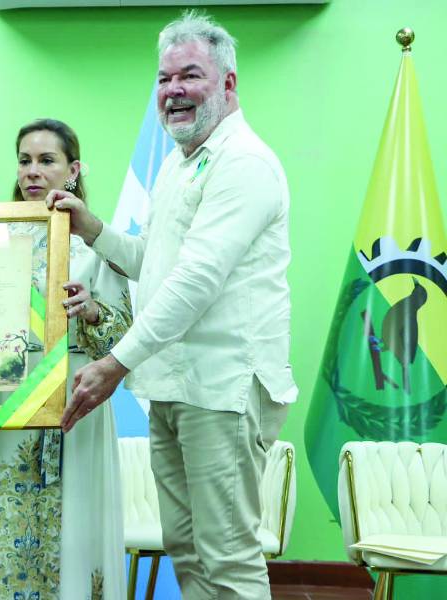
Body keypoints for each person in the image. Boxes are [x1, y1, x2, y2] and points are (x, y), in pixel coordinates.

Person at [49, 13, 297, 600]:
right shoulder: (179, 161)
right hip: (172, 386)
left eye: (190, 75)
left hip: (222, 389)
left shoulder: (243, 162)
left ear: (228, 83)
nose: (173, 90)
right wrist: (93, 230)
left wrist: (115, 363)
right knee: (185, 548)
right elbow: (154, 262)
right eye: (164, 79)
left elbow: (195, 280)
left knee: (228, 556)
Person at [0, 119, 132, 599]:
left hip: (74, 401)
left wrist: (92, 311)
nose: (32, 171)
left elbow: (125, 339)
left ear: (73, 170)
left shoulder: (97, 245)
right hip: (4, 402)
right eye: (24, 160)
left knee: (72, 532)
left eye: (46, 160)